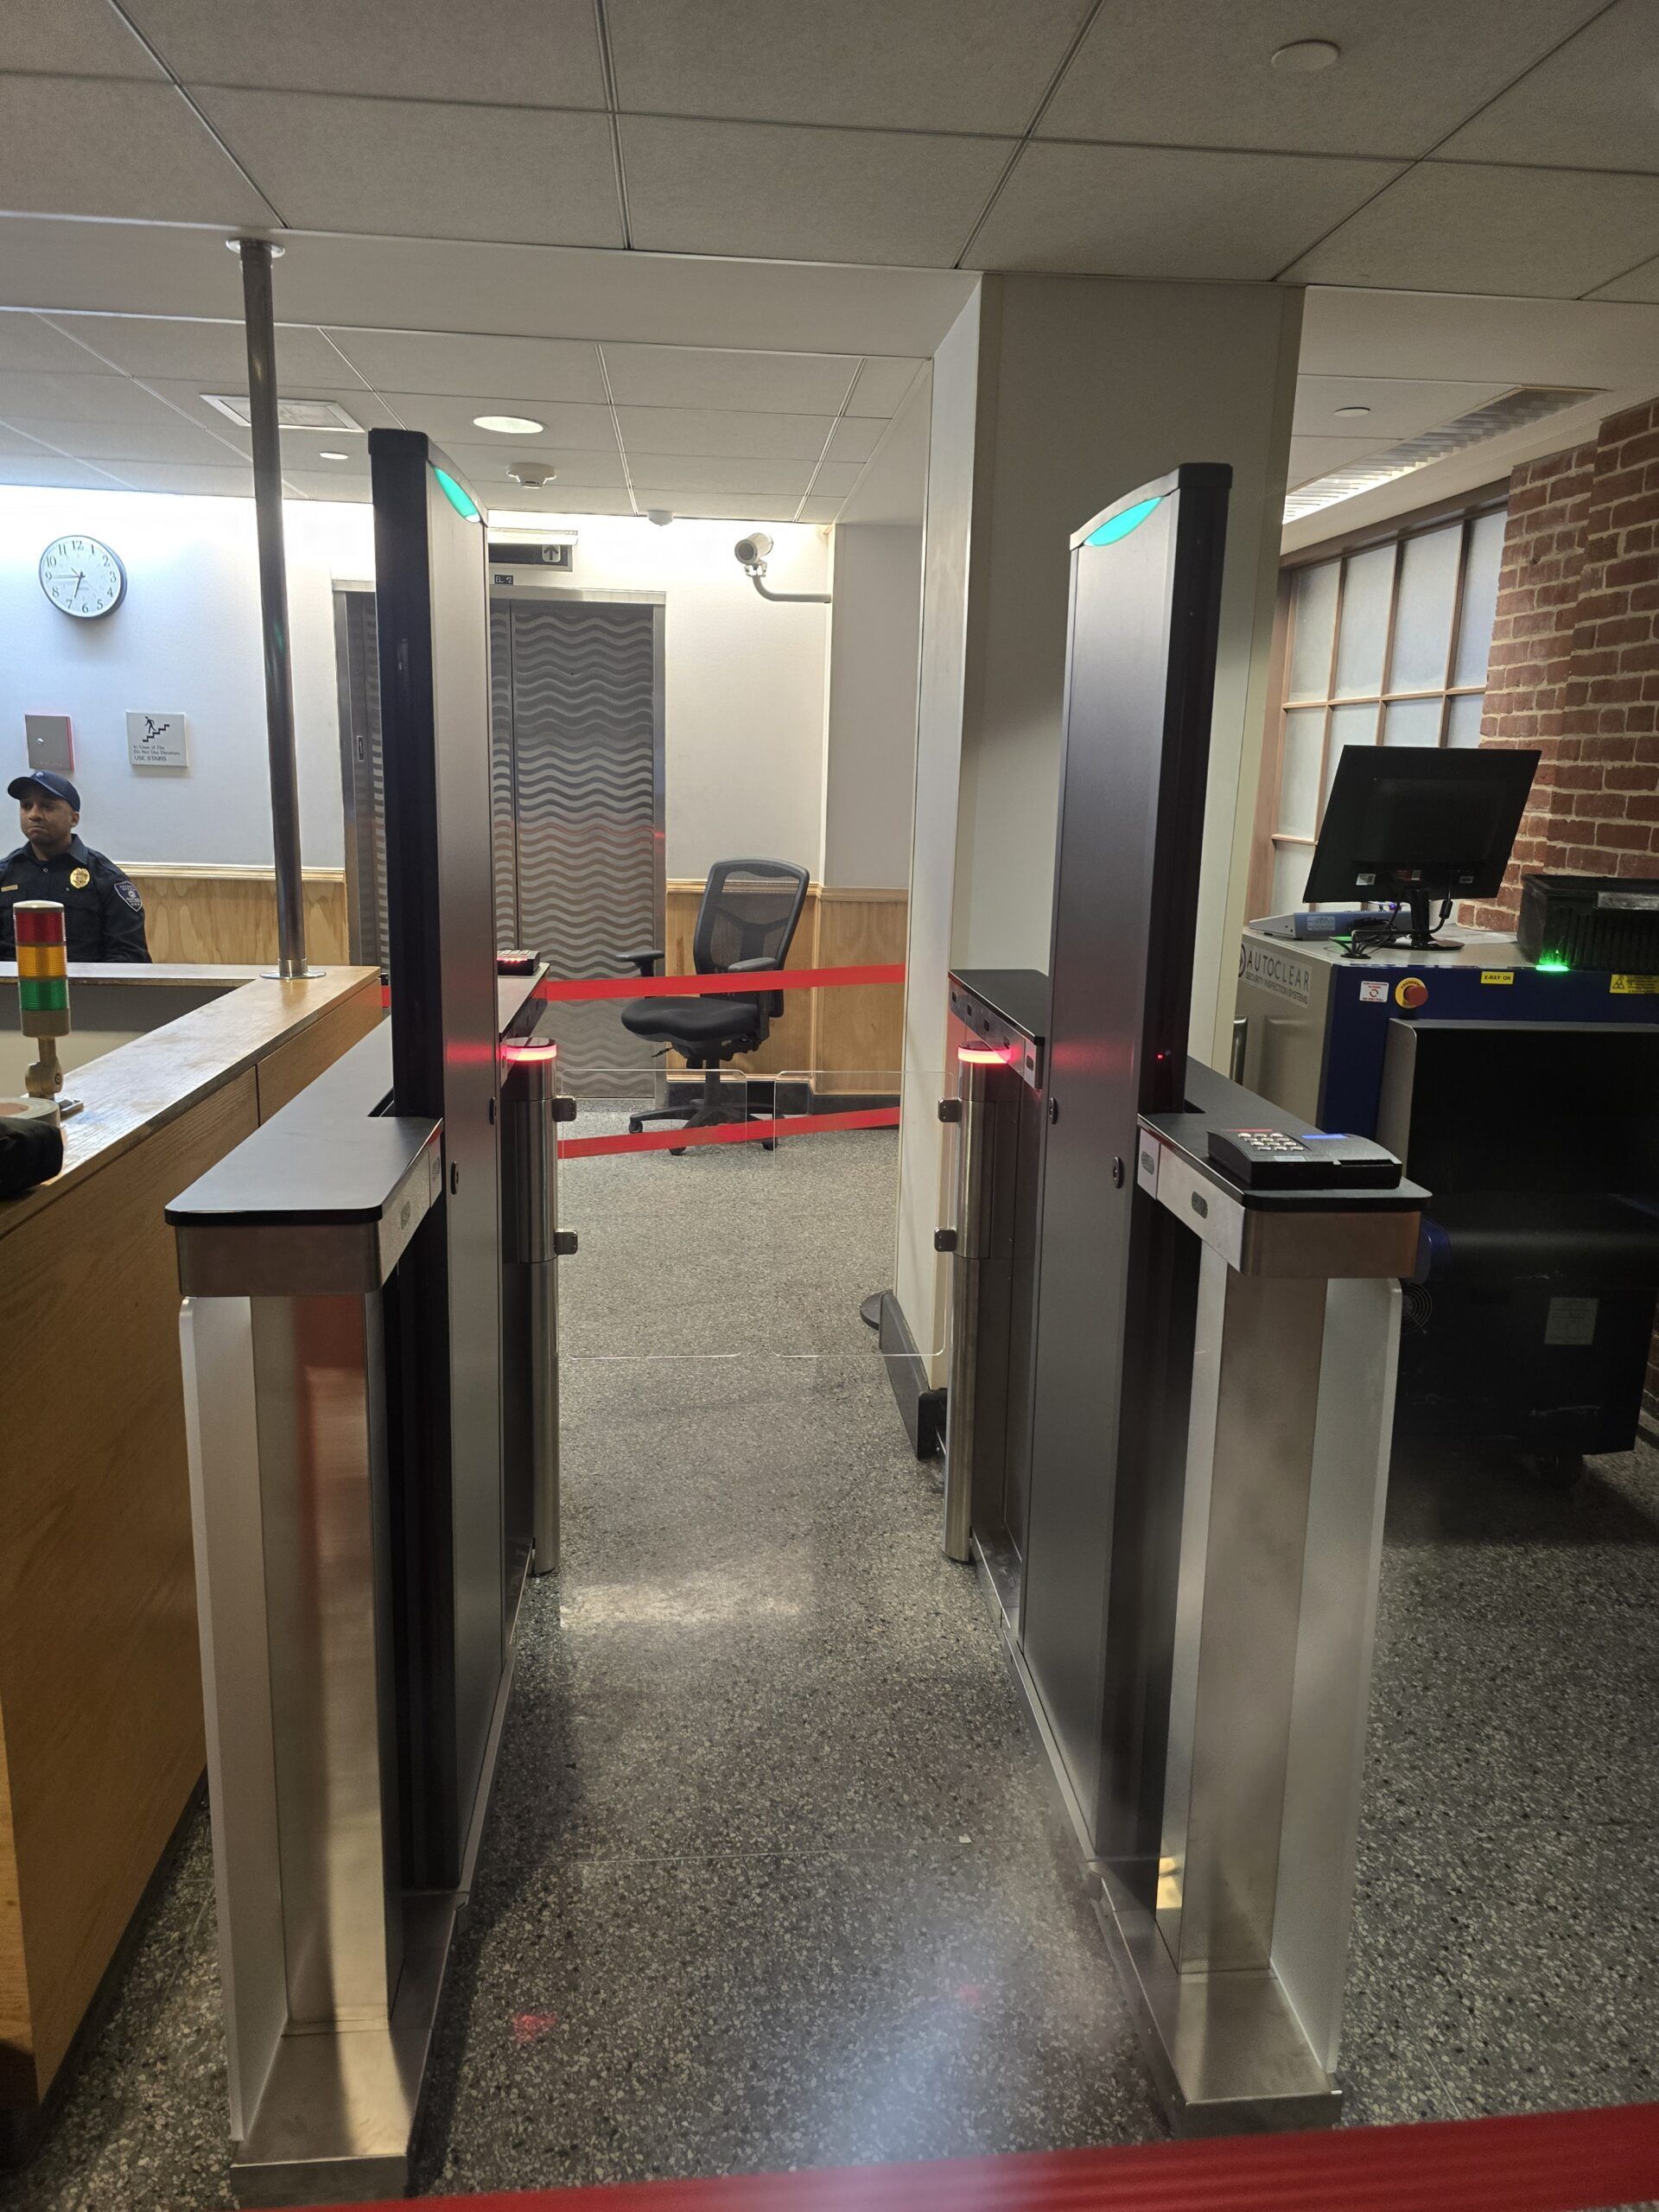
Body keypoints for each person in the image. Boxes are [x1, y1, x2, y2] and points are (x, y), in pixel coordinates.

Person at [0, 772, 149, 963]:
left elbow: (130, 957)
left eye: (47, 806)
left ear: (74, 819)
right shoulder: (5, 874)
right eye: (26, 806)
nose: (34, 814)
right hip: (13, 990)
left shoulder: (107, 879)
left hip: (87, 990)